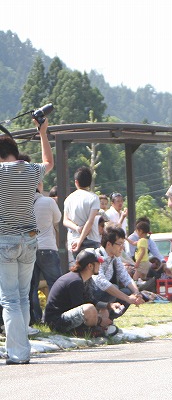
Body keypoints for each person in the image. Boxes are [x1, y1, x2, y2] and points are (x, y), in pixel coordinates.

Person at [0, 115, 53, 365]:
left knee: (10, 299)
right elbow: (48, 161)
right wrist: (42, 132)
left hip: (5, 241)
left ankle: (17, 353)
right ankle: (22, 350)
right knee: (22, 297)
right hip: (30, 241)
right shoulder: (32, 171)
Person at [43, 249, 120, 337]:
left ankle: (92, 330)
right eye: (98, 263)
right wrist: (100, 320)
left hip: (66, 316)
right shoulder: (75, 281)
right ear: (90, 266)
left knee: (103, 310)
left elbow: (91, 300)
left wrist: (109, 305)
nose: (100, 265)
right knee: (89, 309)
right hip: (56, 322)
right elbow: (80, 307)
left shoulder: (83, 279)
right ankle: (86, 331)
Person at [93, 226, 145, 316]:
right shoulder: (96, 256)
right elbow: (102, 283)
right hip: (92, 297)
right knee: (114, 288)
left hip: (104, 294)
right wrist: (127, 298)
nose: (122, 247)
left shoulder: (115, 258)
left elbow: (126, 277)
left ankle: (108, 320)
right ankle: (99, 319)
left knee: (128, 291)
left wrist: (137, 293)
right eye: (120, 244)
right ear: (109, 244)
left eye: (123, 244)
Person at [30, 182, 62, 325]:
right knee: (55, 284)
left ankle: (36, 318)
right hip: (48, 247)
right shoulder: (48, 202)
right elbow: (57, 219)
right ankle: (52, 316)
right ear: (39, 186)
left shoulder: (24, 204)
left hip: (31, 248)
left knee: (32, 287)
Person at [63, 166, 101, 262]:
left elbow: (65, 221)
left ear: (76, 182)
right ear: (90, 182)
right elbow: (90, 221)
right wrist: (80, 240)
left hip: (73, 240)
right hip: (91, 239)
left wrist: (77, 228)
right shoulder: (94, 198)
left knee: (76, 268)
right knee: (93, 269)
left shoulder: (69, 199)